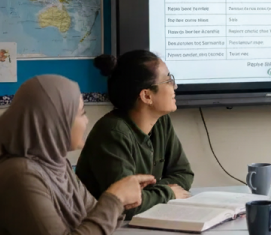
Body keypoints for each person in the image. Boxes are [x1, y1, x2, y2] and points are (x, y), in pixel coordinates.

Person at [0, 75, 155, 235]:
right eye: (82, 113)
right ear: (56, 122)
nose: (87, 121)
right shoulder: (19, 174)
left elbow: (94, 217)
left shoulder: (58, 164)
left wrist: (121, 198)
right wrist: (114, 199)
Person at [76, 50, 194, 218]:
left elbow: (184, 175)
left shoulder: (161, 121)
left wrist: (148, 196)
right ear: (146, 96)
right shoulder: (112, 132)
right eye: (168, 80)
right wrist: (167, 192)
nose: (175, 86)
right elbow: (127, 204)